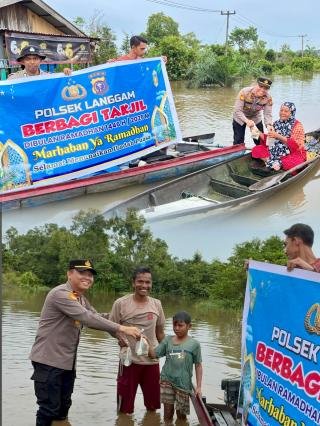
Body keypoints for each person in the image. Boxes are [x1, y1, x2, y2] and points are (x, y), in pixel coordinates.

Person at [29, 259, 142, 426]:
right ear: (69, 273)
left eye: (90, 275)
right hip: (48, 362)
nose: (87, 277)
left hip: (67, 364)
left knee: (62, 410)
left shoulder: (80, 299)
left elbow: (97, 317)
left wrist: (120, 330)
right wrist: (122, 329)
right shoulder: (60, 294)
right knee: (48, 410)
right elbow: (87, 318)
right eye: (82, 273)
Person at [109, 266, 166, 414]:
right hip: (129, 361)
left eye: (148, 282)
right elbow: (111, 327)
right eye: (140, 281)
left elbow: (160, 333)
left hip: (151, 361)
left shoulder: (156, 304)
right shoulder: (120, 303)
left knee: (153, 407)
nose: (144, 286)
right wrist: (119, 337)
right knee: (124, 410)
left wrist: (171, 353)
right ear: (133, 283)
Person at [148, 311, 203, 423]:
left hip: (183, 384)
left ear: (189, 326)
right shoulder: (168, 340)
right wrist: (145, 342)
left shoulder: (194, 344)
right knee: (167, 414)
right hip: (166, 381)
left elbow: (198, 365)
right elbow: (154, 355)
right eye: (174, 325)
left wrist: (198, 387)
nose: (177, 328)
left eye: (180, 325)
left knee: (181, 416)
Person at [252, 102, 306, 171]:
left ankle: (274, 163)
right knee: (256, 149)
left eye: (286, 111)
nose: (282, 113)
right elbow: (268, 141)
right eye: (281, 110)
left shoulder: (297, 125)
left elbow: (296, 146)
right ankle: (271, 162)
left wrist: (278, 136)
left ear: (292, 113)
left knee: (293, 162)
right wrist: (253, 128)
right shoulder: (276, 123)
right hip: (274, 151)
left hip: (290, 153)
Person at [233, 77, 273, 145]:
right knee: (239, 140)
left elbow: (267, 114)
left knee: (258, 140)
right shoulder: (244, 92)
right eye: (260, 86)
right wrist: (247, 121)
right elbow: (238, 110)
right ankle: (238, 153)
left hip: (255, 118)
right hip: (240, 117)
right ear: (256, 85)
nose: (262, 90)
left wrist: (269, 125)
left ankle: (258, 153)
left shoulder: (268, 98)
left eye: (266, 88)